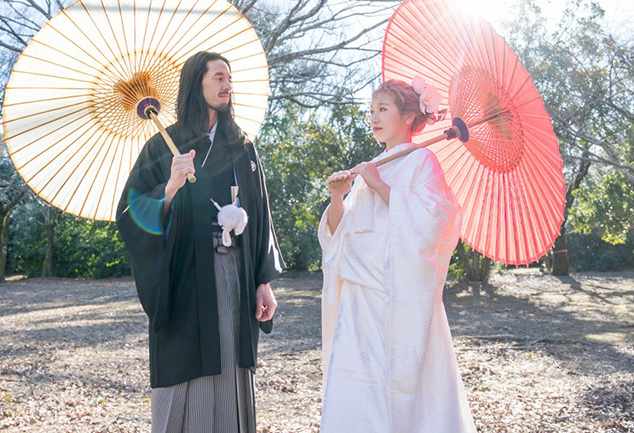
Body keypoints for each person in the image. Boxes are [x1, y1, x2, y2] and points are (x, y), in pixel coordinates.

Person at [117, 51, 283, 433]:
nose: (227, 85)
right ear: (197, 83)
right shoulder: (164, 144)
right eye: (218, 77)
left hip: (236, 273)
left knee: (230, 360)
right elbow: (130, 214)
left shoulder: (241, 144)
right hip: (186, 275)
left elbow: (259, 213)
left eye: (229, 78)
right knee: (185, 364)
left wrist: (264, 280)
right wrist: (170, 188)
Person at [318, 79, 476, 433]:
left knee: (397, 385)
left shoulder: (421, 160)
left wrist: (378, 184)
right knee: (357, 386)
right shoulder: (373, 165)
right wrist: (339, 198)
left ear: (408, 117)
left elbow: (435, 220)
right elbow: (340, 236)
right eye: (371, 110)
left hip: (395, 296)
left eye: (383, 109)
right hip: (358, 298)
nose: (373, 117)